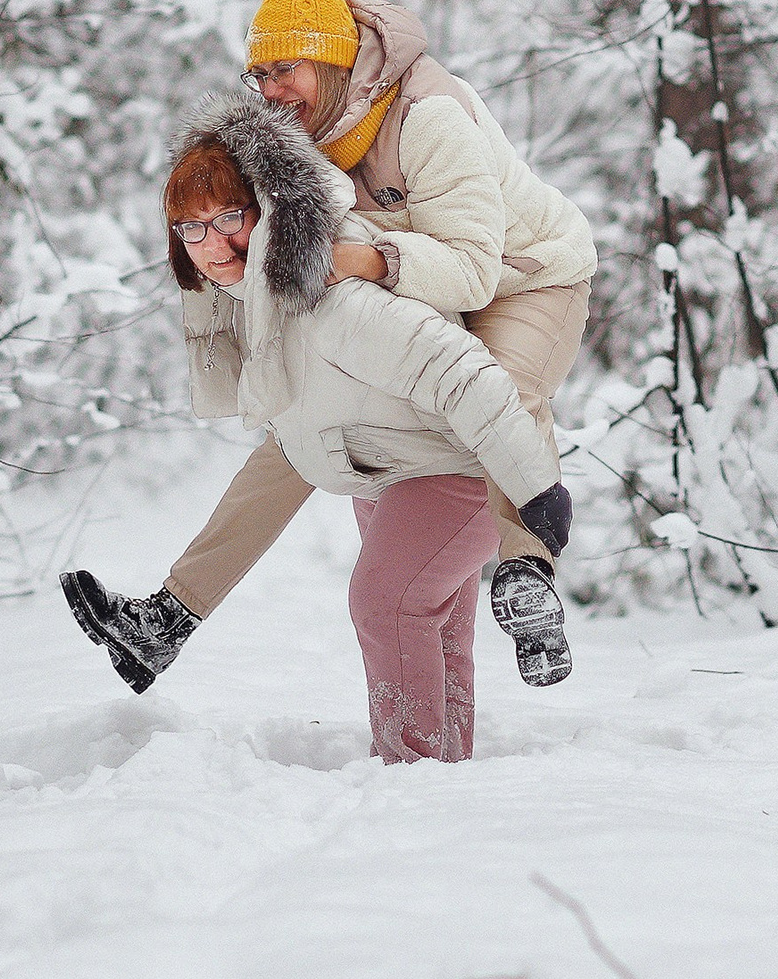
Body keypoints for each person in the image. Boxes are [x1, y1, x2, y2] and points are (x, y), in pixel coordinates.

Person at [65, 0, 597, 688]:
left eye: (287, 69)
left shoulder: (429, 116)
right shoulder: (302, 136)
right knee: (298, 423)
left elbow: (475, 274)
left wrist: (366, 260)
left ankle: (527, 576)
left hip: (525, 273)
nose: (271, 88)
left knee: (502, 389)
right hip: (417, 276)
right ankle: (168, 616)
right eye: (260, 72)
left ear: (332, 61)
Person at [65, 99, 572, 763]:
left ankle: (412, 777)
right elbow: (294, 436)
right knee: (430, 622)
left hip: (458, 467)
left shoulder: (334, 296)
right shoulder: (262, 298)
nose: (213, 245)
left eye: (228, 219)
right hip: (383, 467)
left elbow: (468, 377)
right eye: (192, 229)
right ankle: (440, 778)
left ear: (266, 210)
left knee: (386, 602)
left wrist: (535, 494)